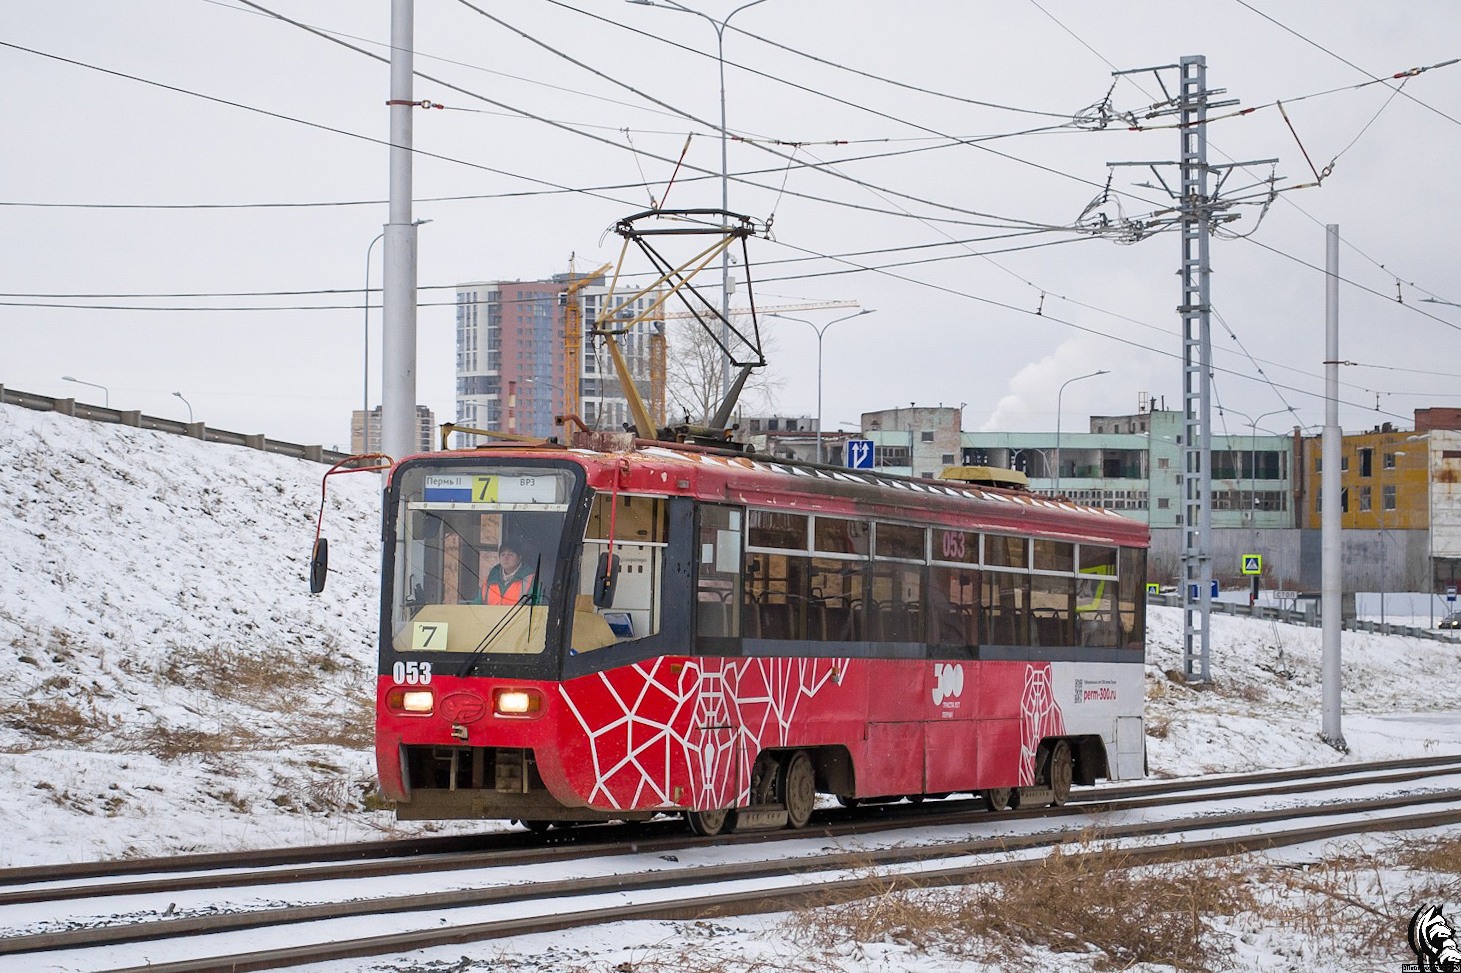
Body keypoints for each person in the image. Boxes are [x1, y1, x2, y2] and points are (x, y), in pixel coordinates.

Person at [482, 538, 540, 605]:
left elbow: (536, 607)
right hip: (492, 616)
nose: (506, 558)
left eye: (510, 555)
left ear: (519, 558)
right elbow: (477, 605)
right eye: (503, 554)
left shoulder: (531, 580)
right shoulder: (489, 580)